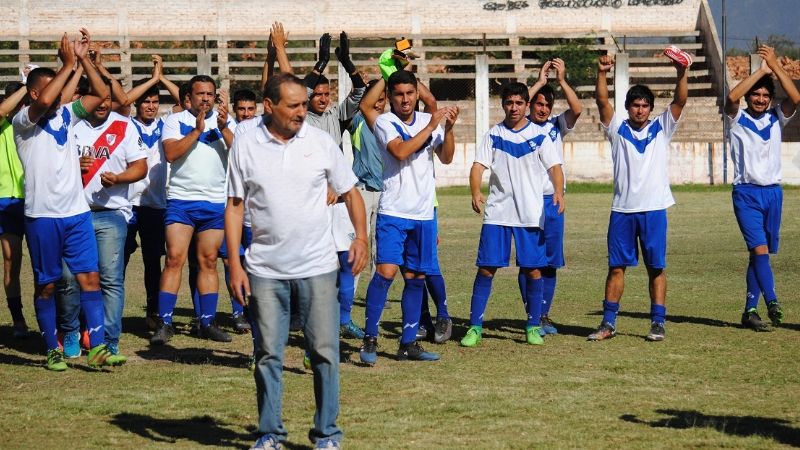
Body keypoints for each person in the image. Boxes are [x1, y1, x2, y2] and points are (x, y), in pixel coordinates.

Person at [225, 72, 367, 450]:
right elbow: (235, 205)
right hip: (264, 270)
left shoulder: (320, 142)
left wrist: (361, 238)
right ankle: (270, 434)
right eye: (294, 105)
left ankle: (327, 436)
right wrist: (235, 264)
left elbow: (351, 192)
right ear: (269, 106)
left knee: (324, 352)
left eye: (304, 104)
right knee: (268, 354)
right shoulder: (246, 144)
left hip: (318, 268)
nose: (302, 112)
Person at [13, 31, 122, 370]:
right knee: (46, 285)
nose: (60, 94)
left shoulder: (67, 115)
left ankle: (99, 347)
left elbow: (102, 93)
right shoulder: (23, 121)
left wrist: (85, 59)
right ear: (34, 92)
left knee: (89, 278)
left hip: (76, 214)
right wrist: (67, 64)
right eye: (53, 88)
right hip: (42, 216)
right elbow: (45, 102)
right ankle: (52, 348)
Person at [358, 69, 458, 365]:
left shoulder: (430, 120)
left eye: (410, 93)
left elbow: (447, 157)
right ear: (389, 96)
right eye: (398, 94)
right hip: (393, 212)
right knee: (386, 273)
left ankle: (408, 343)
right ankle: (370, 338)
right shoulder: (385, 122)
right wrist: (432, 125)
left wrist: (448, 128)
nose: (405, 99)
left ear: (417, 93)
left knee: (416, 278)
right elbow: (401, 152)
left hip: (424, 214)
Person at [588, 51, 689, 342]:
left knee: (656, 267)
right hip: (622, 210)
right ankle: (608, 324)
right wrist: (602, 73)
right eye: (635, 105)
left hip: (654, 209)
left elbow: (680, 101)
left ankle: (657, 322)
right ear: (628, 107)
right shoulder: (617, 129)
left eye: (645, 106)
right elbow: (601, 102)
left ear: (651, 108)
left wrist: (681, 73)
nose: (640, 110)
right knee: (616, 267)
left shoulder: (661, 128)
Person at [460, 82, 564, 348]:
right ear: (503, 104)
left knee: (533, 271)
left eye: (519, 103)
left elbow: (555, 167)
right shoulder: (493, 134)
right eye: (510, 103)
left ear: (526, 105)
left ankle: (532, 325)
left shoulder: (541, 135)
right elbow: (477, 166)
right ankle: (474, 327)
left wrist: (559, 192)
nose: (514, 107)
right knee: (486, 269)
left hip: (531, 214)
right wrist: (475, 191)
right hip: (498, 213)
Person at [57, 76, 147, 361]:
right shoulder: (70, 127)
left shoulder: (124, 127)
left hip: (111, 215)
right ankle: (70, 331)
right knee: (69, 279)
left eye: (109, 98)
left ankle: (108, 339)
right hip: (74, 214)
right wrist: (74, 164)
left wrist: (119, 178)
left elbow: (141, 167)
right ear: (86, 99)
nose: (105, 103)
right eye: (99, 97)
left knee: (110, 280)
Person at [150, 74, 235, 345]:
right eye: (201, 94)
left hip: (213, 203)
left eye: (210, 94)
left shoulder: (224, 122)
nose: (206, 99)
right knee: (174, 258)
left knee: (209, 262)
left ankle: (207, 322)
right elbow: (171, 154)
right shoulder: (175, 121)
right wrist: (197, 131)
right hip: (181, 202)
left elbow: (243, 154)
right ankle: (164, 323)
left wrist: (223, 128)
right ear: (189, 97)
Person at [725, 45, 799, 331]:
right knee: (760, 252)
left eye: (765, 95)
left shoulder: (775, 118)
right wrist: (761, 72)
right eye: (755, 94)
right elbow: (732, 96)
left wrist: (775, 67)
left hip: (773, 194)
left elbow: (796, 97)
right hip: (746, 194)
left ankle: (750, 311)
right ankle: (773, 302)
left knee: (759, 254)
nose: (760, 98)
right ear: (749, 97)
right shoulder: (736, 118)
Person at [303, 31, 367, 339]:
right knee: (315, 267)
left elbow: (360, 92)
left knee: (347, 262)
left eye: (326, 93)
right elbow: (299, 92)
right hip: (312, 201)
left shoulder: (336, 115)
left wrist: (346, 62)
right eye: (318, 94)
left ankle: (343, 319)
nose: (323, 98)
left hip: (339, 199)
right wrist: (321, 62)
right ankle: (312, 321)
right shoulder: (300, 118)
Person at [122, 56, 182, 331]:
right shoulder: (125, 125)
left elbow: (184, 98)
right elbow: (122, 101)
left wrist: (161, 78)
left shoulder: (166, 125)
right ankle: (113, 313)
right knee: (117, 261)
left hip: (155, 204)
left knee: (152, 261)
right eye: (146, 101)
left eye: (155, 101)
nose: (151, 105)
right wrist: (150, 79)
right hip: (126, 204)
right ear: (138, 104)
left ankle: (153, 310)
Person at [524, 58, 582, 335]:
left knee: (551, 261)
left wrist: (561, 81)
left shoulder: (557, 125)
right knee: (528, 260)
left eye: (547, 105)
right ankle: (532, 311)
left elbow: (578, 109)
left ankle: (544, 314)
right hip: (527, 201)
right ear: (531, 105)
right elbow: (520, 101)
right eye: (539, 103)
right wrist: (539, 82)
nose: (543, 108)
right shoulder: (521, 125)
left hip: (553, 200)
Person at [0, 82, 30, 338]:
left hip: (34, 200)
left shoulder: (30, 123)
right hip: (5, 202)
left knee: (47, 263)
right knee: (12, 261)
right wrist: (24, 87)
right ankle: (18, 317)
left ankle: (54, 317)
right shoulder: (2, 122)